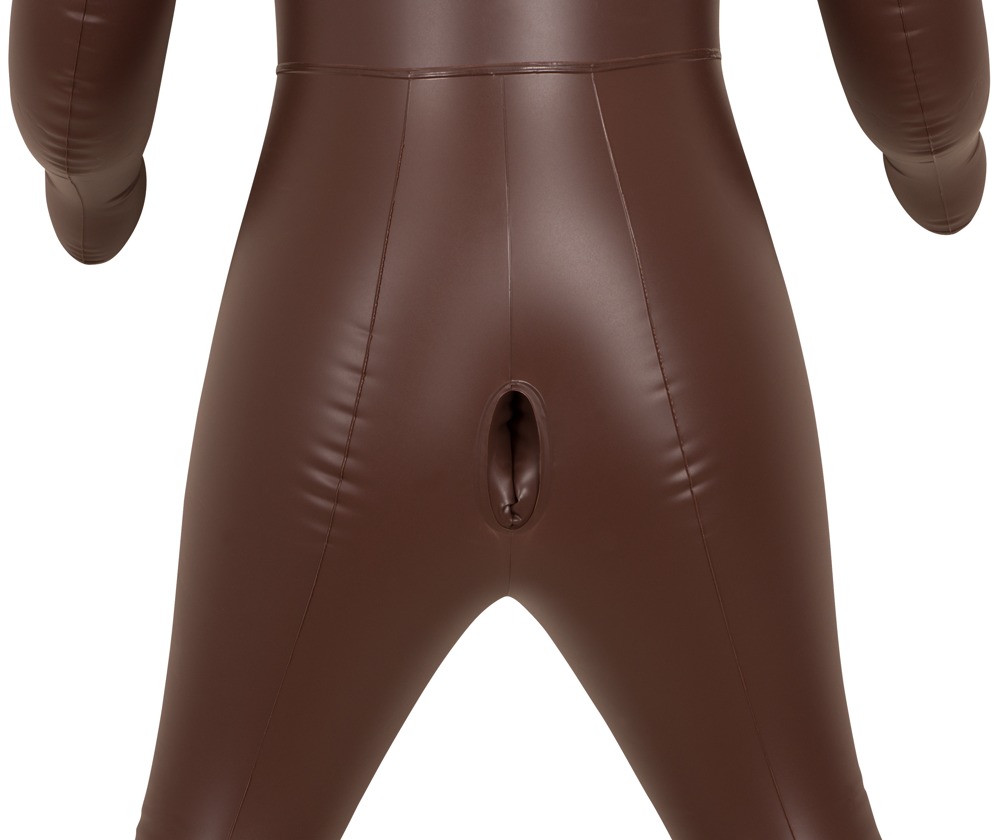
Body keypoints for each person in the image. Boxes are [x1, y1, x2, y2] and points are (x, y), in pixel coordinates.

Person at [8, 1, 990, 838]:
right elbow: (915, 54)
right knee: (795, 811)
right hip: (660, 281)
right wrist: (940, 166)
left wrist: (94, 196)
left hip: (344, 288)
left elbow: (79, 70)